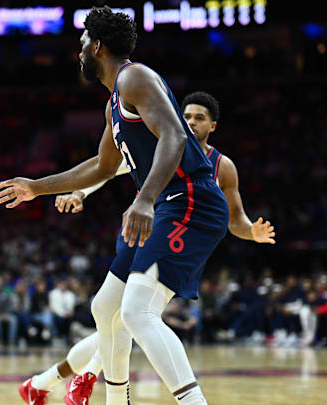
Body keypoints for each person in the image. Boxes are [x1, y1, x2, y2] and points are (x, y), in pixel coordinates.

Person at [0, 7, 232, 405]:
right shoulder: (114, 101)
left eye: (82, 44)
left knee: (138, 312)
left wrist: (143, 199)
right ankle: (116, 399)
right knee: (106, 307)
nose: (79, 52)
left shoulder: (133, 76)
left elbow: (174, 137)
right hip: (167, 204)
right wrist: (37, 187)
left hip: (191, 199)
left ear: (98, 46)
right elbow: (103, 166)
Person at [18, 89, 279, 404]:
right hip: (142, 228)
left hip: (179, 230)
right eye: (187, 116)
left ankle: (71, 378)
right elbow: (109, 167)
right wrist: (80, 193)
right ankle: (63, 379)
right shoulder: (163, 143)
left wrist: (252, 232)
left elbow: (235, 219)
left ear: (213, 126)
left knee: (130, 315)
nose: (192, 122)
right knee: (110, 312)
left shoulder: (222, 165)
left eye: (200, 118)